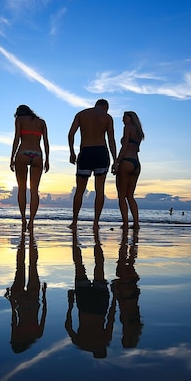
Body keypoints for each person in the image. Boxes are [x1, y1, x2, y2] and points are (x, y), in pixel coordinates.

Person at [65, 231, 116, 359]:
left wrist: (115, 296)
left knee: (99, 266)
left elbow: (111, 318)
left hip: (100, 306)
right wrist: (70, 303)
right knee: (79, 266)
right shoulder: (81, 344)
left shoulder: (105, 341)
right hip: (85, 305)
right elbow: (68, 326)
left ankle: (97, 240)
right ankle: (75, 241)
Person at [68, 99, 117, 230]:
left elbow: (71, 134)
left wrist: (72, 152)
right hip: (101, 151)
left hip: (86, 151)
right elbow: (111, 140)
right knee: (100, 189)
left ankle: (74, 222)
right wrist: (115, 160)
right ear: (105, 107)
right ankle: (95, 223)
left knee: (79, 190)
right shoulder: (107, 117)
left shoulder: (81, 114)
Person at [4, 234, 47, 353]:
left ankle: (30, 240)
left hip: (33, 300)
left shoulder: (37, 335)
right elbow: (14, 317)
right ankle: (25, 240)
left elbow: (44, 314)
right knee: (20, 266)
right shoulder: (28, 335)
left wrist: (44, 295)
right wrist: (10, 300)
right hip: (21, 300)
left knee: (33, 266)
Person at [10, 105, 50, 231]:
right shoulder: (41, 122)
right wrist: (47, 159)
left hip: (23, 153)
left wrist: (12, 157)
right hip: (37, 154)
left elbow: (17, 138)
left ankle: (23, 220)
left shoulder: (20, 120)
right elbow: (46, 142)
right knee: (34, 190)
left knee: (22, 189)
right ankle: (31, 221)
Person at [112, 111, 145, 229]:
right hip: (136, 163)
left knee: (121, 196)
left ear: (131, 118)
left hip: (126, 161)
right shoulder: (139, 132)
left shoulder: (128, 128)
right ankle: (136, 223)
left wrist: (117, 161)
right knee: (130, 196)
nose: (122, 120)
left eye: (124, 118)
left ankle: (125, 224)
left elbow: (125, 146)